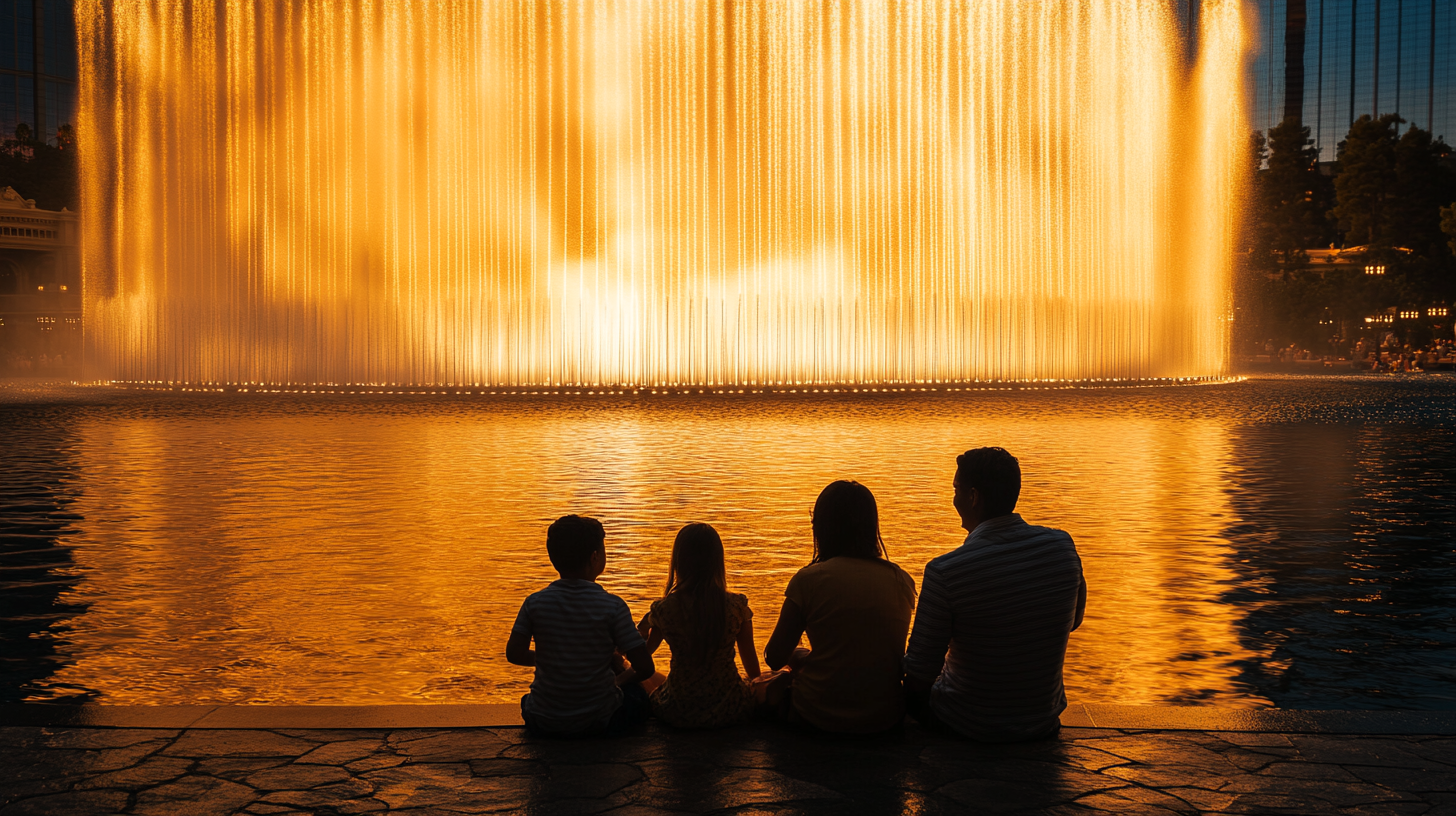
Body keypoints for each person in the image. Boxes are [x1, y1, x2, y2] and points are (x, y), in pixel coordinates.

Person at [903, 447, 1086, 742]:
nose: (954, 499)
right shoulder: (1062, 546)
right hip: (1041, 721)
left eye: (956, 490)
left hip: (967, 725)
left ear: (973, 497)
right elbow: (1073, 621)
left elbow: (919, 678)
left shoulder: (946, 571)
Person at [763, 480, 917, 734]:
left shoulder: (808, 580)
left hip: (817, 715)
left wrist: (799, 656)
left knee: (766, 686)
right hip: (885, 717)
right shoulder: (902, 580)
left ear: (822, 527)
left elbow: (774, 658)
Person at [506, 514, 655, 737]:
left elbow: (514, 654)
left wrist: (555, 658)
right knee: (639, 696)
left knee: (528, 700)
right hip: (600, 720)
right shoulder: (612, 606)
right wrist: (618, 680)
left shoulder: (535, 603)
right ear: (595, 557)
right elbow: (645, 668)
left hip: (544, 719)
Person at [637, 523, 760, 728]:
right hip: (730, 708)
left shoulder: (664, 610)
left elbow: (644, 657)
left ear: (678, 561)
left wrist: (641, 629)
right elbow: (752, 669)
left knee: (651, 679)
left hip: (678, 711)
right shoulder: (737, 607)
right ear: (717, 561)